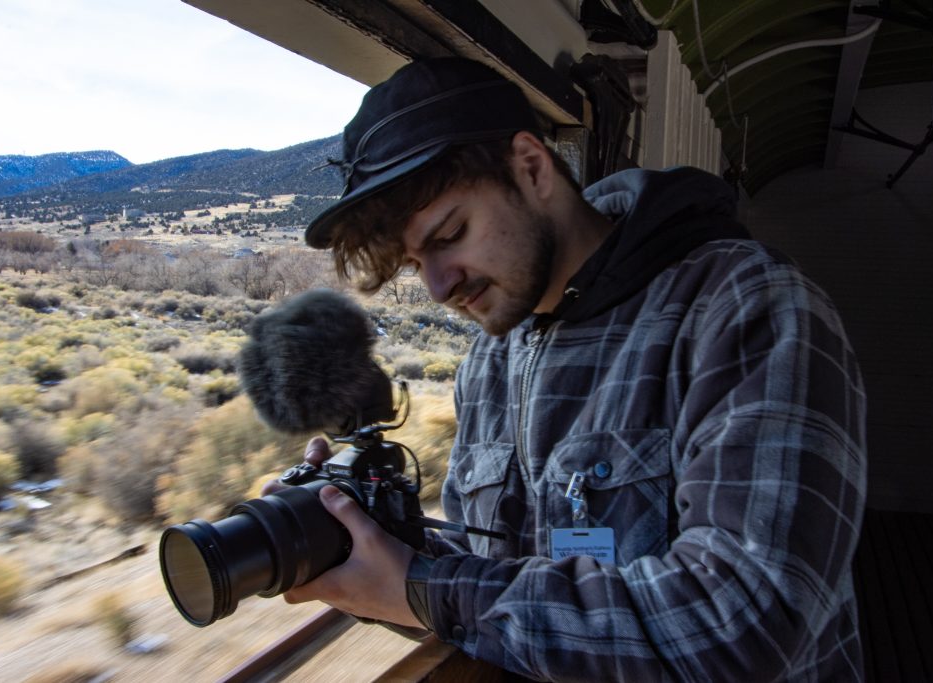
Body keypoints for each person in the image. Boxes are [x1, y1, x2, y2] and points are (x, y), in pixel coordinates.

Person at [279, 57, 868, 681]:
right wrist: (359, 540)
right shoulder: (489, 362)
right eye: (413, 263)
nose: (438, 286)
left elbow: (745, 620)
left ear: (532, 168)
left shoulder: (744, 308)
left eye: (450, 233)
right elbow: (498, 578)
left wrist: (424, 587)